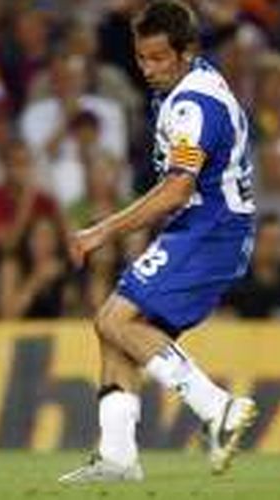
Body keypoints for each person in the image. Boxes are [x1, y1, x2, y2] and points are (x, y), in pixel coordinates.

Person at [60, 1, 257, 483]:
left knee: (114, 318)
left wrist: (100, 230)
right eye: (141, 58)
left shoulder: (192, 105)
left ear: (187, 52)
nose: (147, 70)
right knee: (116, 328)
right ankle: (118, 457)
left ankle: (218, 408)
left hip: (211, 228)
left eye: (158, 59)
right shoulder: (195, 80)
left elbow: (178, 187)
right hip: (206, 227)